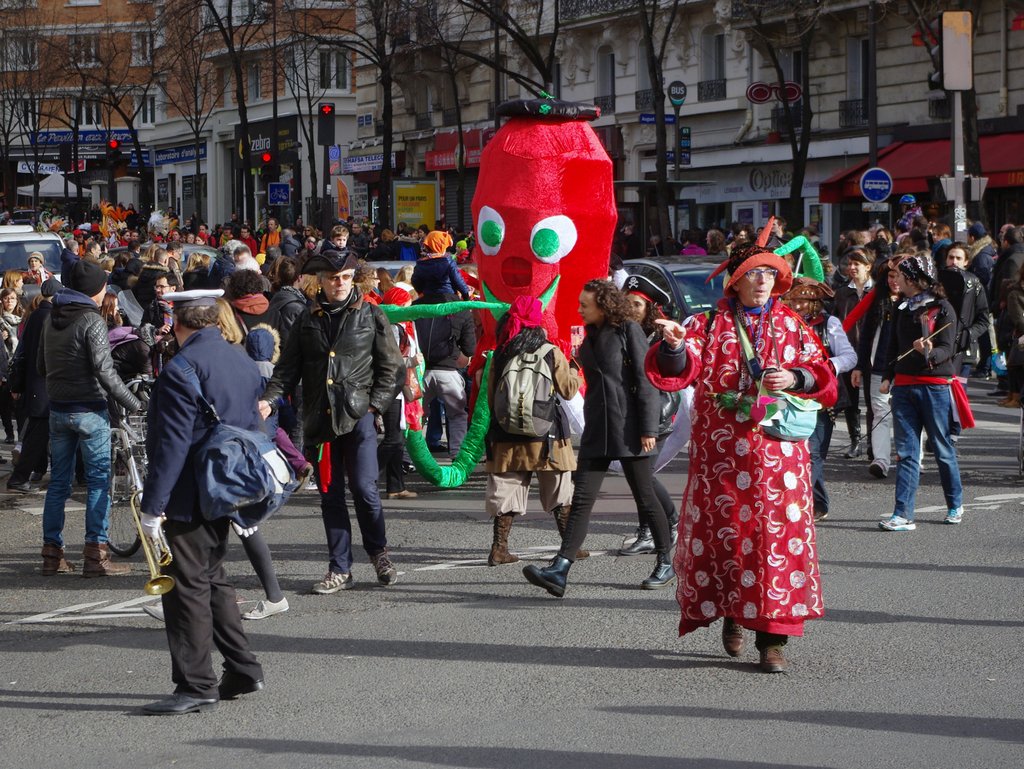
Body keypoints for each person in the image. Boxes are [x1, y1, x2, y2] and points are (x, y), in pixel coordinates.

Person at [644, 242, 838, 673]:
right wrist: (675, 346)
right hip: (722, 459)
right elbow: (679, 371)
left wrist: (797, 376)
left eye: (770, 273)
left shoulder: (791, 323)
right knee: (730, 540)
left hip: (778, 460)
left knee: (777, 545)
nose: (763, 281)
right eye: (754, 273)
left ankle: (773, 641)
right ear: (736, 279)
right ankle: (733, 614)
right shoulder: (707, 324)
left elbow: (823, 376)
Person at [138, 289, 266, 715]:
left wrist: (153, 507)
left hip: (189, 492)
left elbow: (172, 445)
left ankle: (196, 684)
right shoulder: (240, 358)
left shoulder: (181, 367)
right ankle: (243, 668)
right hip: (227, 485)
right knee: (212, 580)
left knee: (186, 589)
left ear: (178, 322)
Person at [259, 250, 404, 594]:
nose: (339, 284)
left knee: (365, 490)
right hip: (319, 421)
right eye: (332, 278)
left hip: (358, 417)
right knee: (330, 495)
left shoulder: (371, 314)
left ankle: (379, 553)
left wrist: (375, 406)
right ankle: (340, 568)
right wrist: (268, 400)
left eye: (345, 278)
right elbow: (286, 370)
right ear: (320, 281)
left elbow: (393, 368)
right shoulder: (306, 320)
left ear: (354, 279)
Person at [522, 279, 674, 597]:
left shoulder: (628, 330)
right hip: (598, 428)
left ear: (603, 306)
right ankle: (561, 568)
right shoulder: (590, 335)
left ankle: (665, 560)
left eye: (584, 305)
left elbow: (645, 381)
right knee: (581, 501)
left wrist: (648, 429)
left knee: (645, 497)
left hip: (630, 427)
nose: (579, 309)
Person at [37, 262, 142, 577]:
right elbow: (104, 370)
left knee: (58, 484)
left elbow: (42, 367)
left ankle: (51, 555)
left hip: (58, 409)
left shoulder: (51, 318)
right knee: (98, 482)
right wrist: (132, 402)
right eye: (102, 288)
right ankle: (96, 556)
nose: (104, 293)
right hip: (89, 409)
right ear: (92, 290)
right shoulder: (91, 320)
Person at [484, 296, 581, 566]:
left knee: (505, 490)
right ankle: (569, 547)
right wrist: (575, 369)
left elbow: (492, 397)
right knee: (560, 490)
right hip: (547, 435)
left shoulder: (501, 352)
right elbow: (568, 390)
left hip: (506, 436)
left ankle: (499, 548)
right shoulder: (550, 351)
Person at [879, 253, 965, 531]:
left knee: (941, 448)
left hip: (934, 386)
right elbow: (892, 345)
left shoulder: (942, 308)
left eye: (901, 277)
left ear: (913, 279)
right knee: (906, 452)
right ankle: (902, 514)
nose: (896, 281)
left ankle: (955, 502)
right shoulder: (902, 308)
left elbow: (947, 347)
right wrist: (887, 375)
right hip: (904, 386)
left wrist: (930, 352)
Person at [781, 278, 856, 522]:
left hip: (821, 398)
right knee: (799, 451)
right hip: (790, 395)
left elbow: (849, 357)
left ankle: (800, 504)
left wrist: (826, 367)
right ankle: (819, 503)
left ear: (815, 303)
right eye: (795, 300)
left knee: (813, 453)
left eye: (804, 300)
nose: (798, 305)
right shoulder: (784, 323)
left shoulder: (829, 324)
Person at [619, 274, 681, 554]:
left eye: (637, 305)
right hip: (629, 415)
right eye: (627, 303)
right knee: (639, 475)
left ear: (650, 310)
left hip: (657, 415)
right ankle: (659, 525)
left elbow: (672, 370)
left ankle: (661, 525)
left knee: (642, 476)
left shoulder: (659, 337)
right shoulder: (620, 332)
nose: (631, 309)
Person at [6, 281, 59, 493]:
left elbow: (23, 351)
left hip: (34, 383)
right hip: (44, 383)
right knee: (37, 434)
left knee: (36, 433)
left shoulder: (35, 315)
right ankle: (19, 478)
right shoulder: (50, 317)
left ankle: (27, 473)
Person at [851, 261, 900, 479]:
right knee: (880, 413)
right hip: (879, 365)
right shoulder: (877, 301)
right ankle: (880, 460)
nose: (894, 281)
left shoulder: (919, 302)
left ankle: (911, 459)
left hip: (909, 368)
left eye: (899, 276)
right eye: (890, 276)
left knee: (907, 415)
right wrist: (860, 366)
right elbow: (866, 337)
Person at [832, 248, 874, 458]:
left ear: (868, 266)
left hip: (871, 352)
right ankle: (854, 441)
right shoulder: (841, 292)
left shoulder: (876, 292)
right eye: (849, 264)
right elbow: (835, 321)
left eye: (857, 263)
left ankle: (873, 444)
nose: (852, 268)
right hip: (848, 351)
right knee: (851, 400)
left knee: (873, 400)